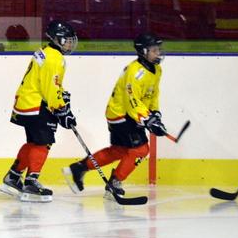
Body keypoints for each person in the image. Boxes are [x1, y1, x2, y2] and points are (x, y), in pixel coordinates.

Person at [63, 33, 167, 200]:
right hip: (122, 114)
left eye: (158, 49)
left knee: (119, 150)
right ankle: (115, 183)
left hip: (128, 114)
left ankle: (79, 168)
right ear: (144, 51)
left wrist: (155, 113)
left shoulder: (156, 69)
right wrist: (146, 119)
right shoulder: (135, 72)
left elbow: (152, 95)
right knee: (140, 150)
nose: (158, 53)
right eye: (154, 50)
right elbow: (131, 99)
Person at [0, 20, 79, 203]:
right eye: (66, 40)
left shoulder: (47, 53)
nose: (70, 43)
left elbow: (51, 85)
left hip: (29, 102)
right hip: (36, 105)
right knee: (43, 143)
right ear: (57, 39)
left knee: (34, 143)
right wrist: (61, 109)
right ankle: (31, 182)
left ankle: (13, 177)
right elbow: (50, 89)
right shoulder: (54, 58)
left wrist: (62, 97)